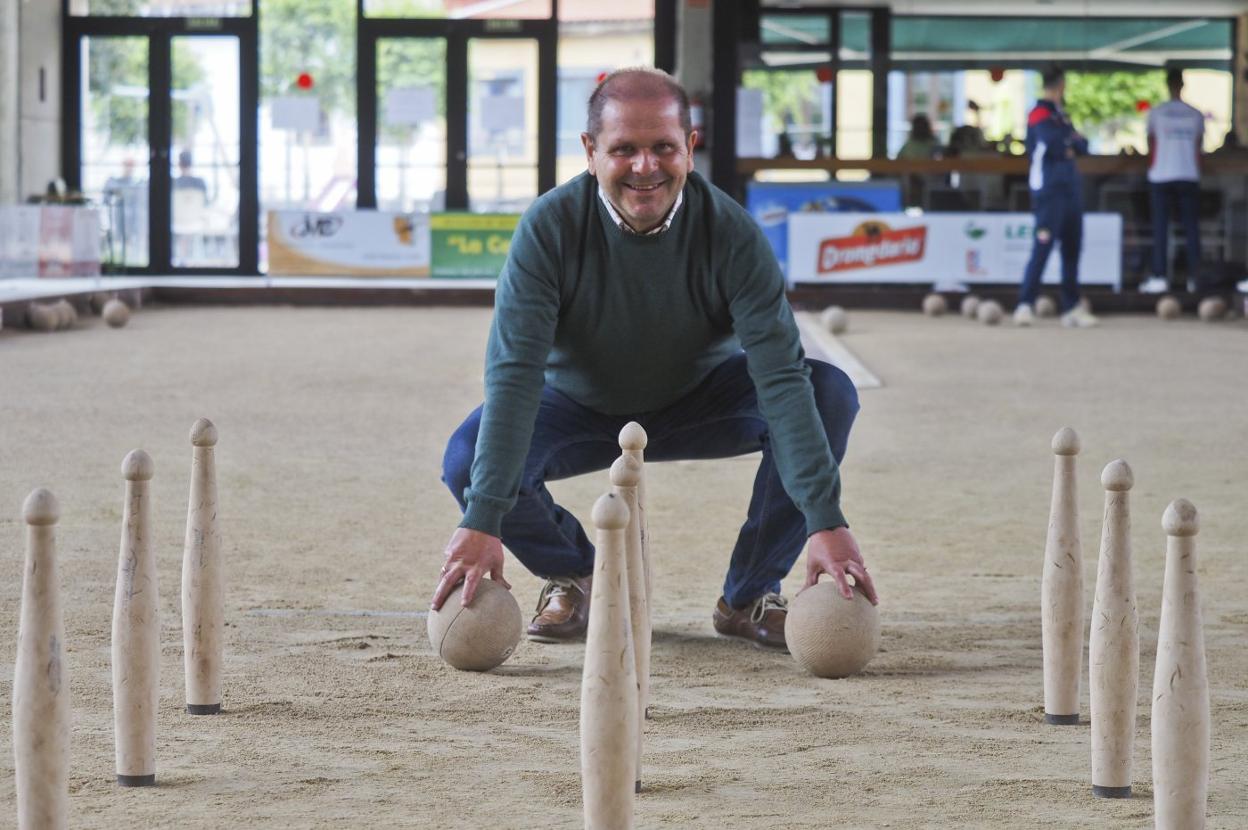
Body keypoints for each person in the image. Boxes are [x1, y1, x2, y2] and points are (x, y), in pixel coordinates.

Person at [433, 68, 877, 652]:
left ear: (689, 149)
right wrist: (483, 518)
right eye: (624, 149)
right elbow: (514, 375)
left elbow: (779, 377)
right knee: (469, 461)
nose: (646, 167)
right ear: (591, 152)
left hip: (700, 399)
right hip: (578, 403)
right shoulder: (547, 230)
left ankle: (748, 594)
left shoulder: (733, 235)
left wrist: (826, 519)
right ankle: (580, 573)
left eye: (663, 147)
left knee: (827, 392)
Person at [1013, 67, 1098, 328]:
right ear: (1061, 85)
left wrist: (1070, 143)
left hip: (1070, 188)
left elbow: (1082, 146)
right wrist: (1069, 142)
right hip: (1048, 191)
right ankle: (1025, 304)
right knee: (1043, 247)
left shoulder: (1061, 116)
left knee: (1072, 248)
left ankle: (1072, 307)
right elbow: (1055, 144)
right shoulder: (1039, 112)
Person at [1139, 69, 1205, 295]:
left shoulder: (1157, 113)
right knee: (1191, 228)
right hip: (1188, 174)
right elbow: (1199, 148)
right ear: (1182, 85)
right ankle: (1195, 278)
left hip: (1161, 175)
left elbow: (1151, 144)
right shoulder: (1195, 115)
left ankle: (1159, 276)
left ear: (1168, 85)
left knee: (1161, 228)